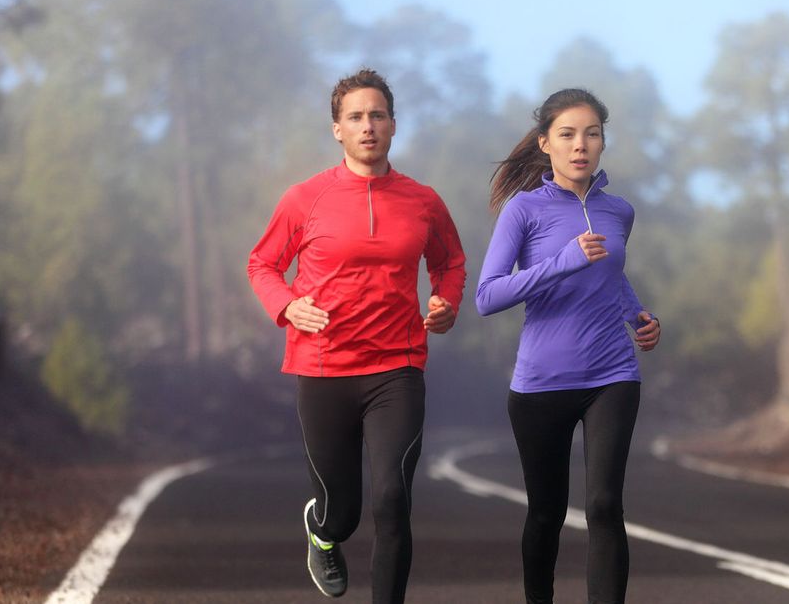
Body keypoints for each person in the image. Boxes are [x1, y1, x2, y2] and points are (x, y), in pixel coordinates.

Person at [247, 68, 466, 602]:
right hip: (323, 368)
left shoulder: (423, 201)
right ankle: (322, 531)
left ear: (393, 125)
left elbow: (451, 263)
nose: (367, 126)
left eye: (377, 115)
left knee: (392, 498)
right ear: (337, 130)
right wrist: (287, 306)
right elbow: (263, 264)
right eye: (355, 117)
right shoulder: (305, 199)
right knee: (342, 511)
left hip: (398, 367)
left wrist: (446, 305)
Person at [476, 88, 661, 604]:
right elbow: (487, 297)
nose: (581, 145)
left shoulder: (619, 211)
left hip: (613, 376)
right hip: (541, 383)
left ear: (603, 142)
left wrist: (640, 317)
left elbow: (611, 277)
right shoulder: (523, 211)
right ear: (545, 143)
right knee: (546, 513)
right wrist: (563, 261)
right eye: (567, 134)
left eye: (592, 134)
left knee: (604, 505)